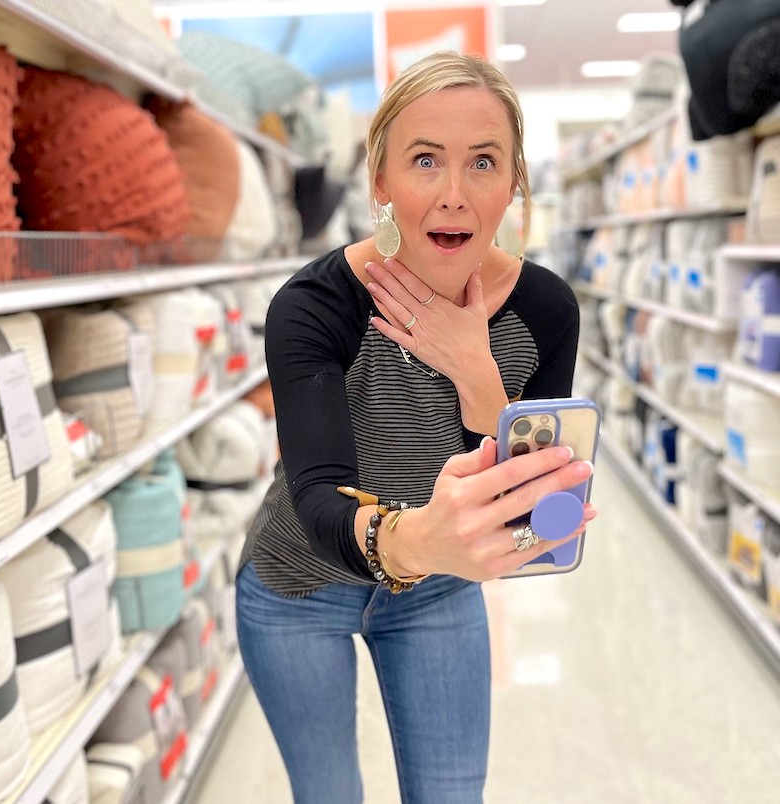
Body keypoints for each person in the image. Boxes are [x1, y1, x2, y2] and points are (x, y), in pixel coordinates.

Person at [235, 50, 596, 804]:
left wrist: (478, 374)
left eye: (484, 162)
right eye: (425, 160)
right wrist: (413, 540)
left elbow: (537, 523)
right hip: (301, 583)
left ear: (515, 183)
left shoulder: (546, 312)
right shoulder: (313, 307)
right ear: (380, 184)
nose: (454, 196)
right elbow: (318, 493)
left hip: (436, 590)